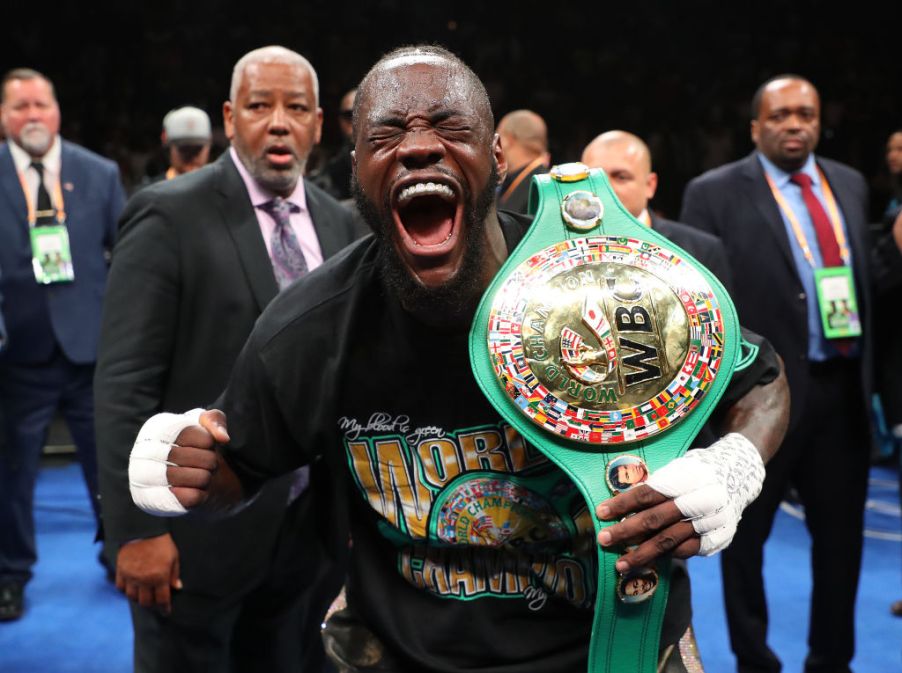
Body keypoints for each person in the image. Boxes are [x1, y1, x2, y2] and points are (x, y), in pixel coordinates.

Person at [126, 46, 789, 672]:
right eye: (385, 136)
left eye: (449, 126)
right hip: (408, 655)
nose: (417, 146)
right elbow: (241, 460)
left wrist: (732, 465)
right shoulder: (313, 326)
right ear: (354, 165)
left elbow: (759, 379)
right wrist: (197, 468)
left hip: (616, 645)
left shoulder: (600, 280)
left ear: (495, 154)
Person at [95, 46, 363, 673]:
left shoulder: (343, 225)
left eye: (295, 108)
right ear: (229, 117)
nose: (278, 122)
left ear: (318, 124)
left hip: (308, 543)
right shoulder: (169, 214)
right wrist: (135, 532)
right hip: (195, 537)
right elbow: (122, 384)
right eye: (259, 105)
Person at [680, 74, 901, 673]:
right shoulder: (714, 191)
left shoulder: (850, 184)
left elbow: (861, 289)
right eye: (780, 115)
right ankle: (755, 661)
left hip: (842, 393)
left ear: (819, 119)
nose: (794, 124)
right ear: (756, 127)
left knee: (841, 546)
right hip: (761, 400)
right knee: (744, 543)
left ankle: (831, 661)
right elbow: (702, 303)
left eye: (805, 113)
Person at [0, 68, 125, 621]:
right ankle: (10, 574)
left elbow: (128, 259)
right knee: (12, 474)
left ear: (57, 111)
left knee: (109, 465)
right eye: (19, 106)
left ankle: (122, 553)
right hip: (17, 353)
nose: (32, 115)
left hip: (90, 348)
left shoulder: (98, 173)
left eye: (41, 105)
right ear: (3, 116)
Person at [581, 129, 734, 292]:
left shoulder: (701, 251)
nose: (607, 188)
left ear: (650, 185)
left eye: (621, 177)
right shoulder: (558, 248)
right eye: (594, 179)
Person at [496, 109, 550, 214]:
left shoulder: (541, 187)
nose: (494, 145)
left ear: (508, 140)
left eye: (498, 136)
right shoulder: (542, 181)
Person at [311, 88, 356, 200]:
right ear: (340, 120)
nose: (357, 122)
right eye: (349, 115)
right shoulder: (325, 181)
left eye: (364, 113)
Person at [156, 105, 213, 181]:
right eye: (184, 149)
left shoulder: (223, 189)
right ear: (168, 148)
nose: (191, 156)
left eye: (197, 150)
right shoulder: (150, 191)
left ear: (208, 147)